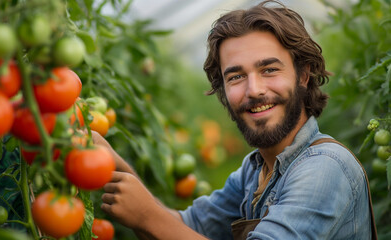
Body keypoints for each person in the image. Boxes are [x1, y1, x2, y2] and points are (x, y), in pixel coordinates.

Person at [93, 0, 377, 239]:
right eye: (236, 76)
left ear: (303, 75)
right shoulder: (254, 171)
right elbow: (184, 227)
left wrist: (146, 217)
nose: (254, 90)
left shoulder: (325, 169)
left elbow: (159, 223)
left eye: (269, 70)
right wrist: (114, 163)